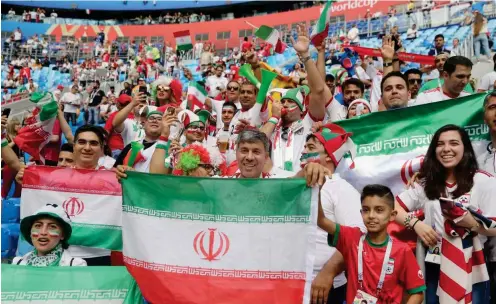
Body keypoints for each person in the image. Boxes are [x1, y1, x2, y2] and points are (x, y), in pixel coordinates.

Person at [394, 124, 495, 303]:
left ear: (466, 148)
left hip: (473, 262)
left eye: (454, 143)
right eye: (440, 144)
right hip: (434, 263)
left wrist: (472, 224)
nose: (446, 149)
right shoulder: (426, 184)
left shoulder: (483, 181)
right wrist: (416, 224)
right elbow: (393, 208)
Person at [317, 184, 425, 303]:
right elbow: (321, 220)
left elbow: (417, 294)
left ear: (392, 215)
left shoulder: (402, 250)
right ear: (361, 212)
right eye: (366, 210)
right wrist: (316, 191)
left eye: (379, 210)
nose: (371, 216)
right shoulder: (352, 239)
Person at [303, 124, 366, 304]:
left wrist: (328, 272)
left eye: (311, 148)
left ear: (328, 157)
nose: (304, 152)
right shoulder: (297, 185)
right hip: (295, 284)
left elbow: (357, 236)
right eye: (304, 147)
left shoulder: (340, 188)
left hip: (325, 289)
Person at [13, 204, 86, 266]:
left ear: (62, 235)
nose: (43, 232)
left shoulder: (75, 265)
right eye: (38, 226)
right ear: (30, 232)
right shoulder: (18, 263)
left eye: (52, 227)